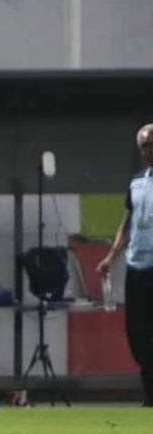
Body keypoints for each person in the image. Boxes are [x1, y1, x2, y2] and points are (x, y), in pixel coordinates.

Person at [97, 122, 153, 406]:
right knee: (138, 331)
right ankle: (149, 394)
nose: (149, 151)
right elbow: (127, 223)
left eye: (152, 144)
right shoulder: (137, 183)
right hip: (137, 266)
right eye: (145, 146)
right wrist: (111, 256)